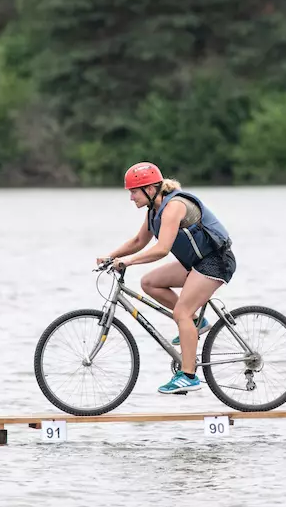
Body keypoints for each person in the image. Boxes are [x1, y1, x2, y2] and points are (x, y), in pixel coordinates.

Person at [97, 162, 236, 394]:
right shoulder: (154, 211)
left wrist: (129, 262)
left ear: (150, 189)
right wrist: (111, 256)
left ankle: (189, 376)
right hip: (197, 262)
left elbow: (162, 249)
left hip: (216, 262)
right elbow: (139, 242)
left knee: (181, 312)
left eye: (133, 191)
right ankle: (196, 322)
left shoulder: (174, 206)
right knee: (149, 282)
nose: (131, 197)